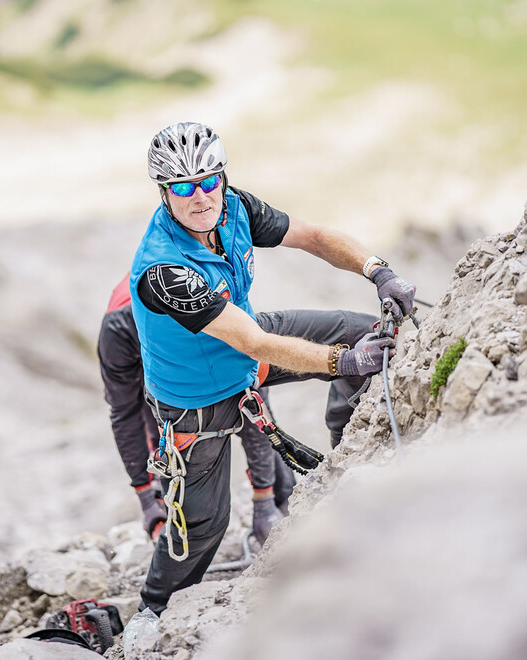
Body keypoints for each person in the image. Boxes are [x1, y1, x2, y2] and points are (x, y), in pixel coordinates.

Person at [132, 121, 416, 615]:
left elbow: (313, 236)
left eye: (207, 181)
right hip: (199, 400)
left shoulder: (234, 206)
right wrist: (341, 362)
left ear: (221, 177)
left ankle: (351, 457)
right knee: (204, 528)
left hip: (245, 350)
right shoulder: (163, 271)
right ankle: (153, 612)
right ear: (164, 193)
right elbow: (252, 342)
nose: (199, 197)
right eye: (182, 187)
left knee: (359, 329)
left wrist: (378, 270)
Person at [97, 278, 295, 545]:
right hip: (139, 340)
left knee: (254, 413)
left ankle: (284, 504)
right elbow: (125, 416)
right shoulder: (119, 333)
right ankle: (181, 528)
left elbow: (256, 411)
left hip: (206, 331)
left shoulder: (216, 314)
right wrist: (146, 496)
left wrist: (264, 498)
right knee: (167, 435)